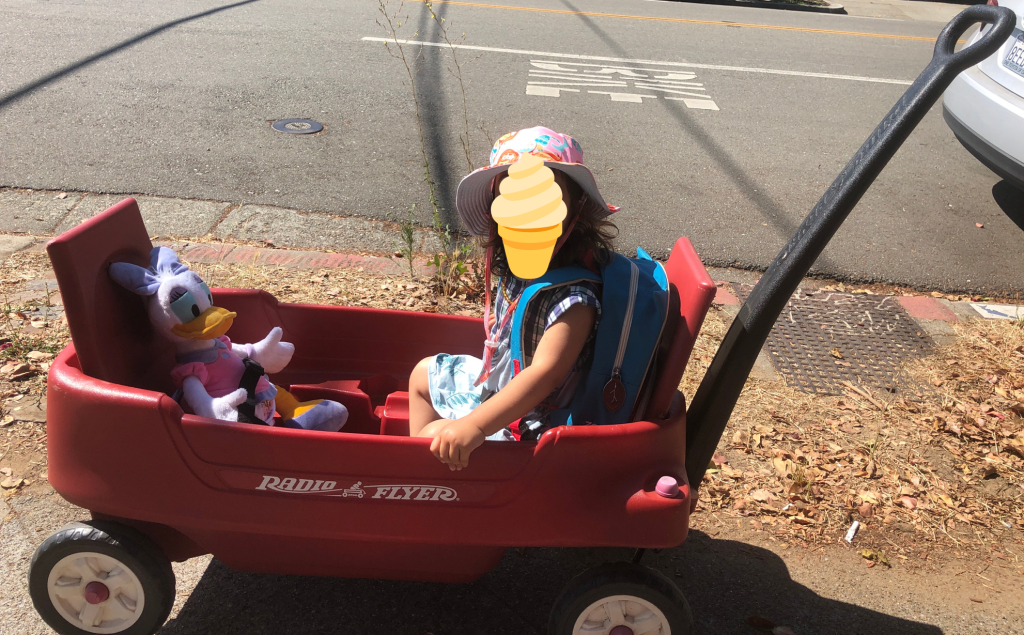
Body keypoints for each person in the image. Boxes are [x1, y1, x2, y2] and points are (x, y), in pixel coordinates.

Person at [407, 127, 619, 470]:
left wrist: (473, 426)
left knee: (433, 438)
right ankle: (441, 478)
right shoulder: (521, 268)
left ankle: (442, 483)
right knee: (421, 376)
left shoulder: (575, 298)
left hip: (529, 422)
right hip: (499, 385)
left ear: (574, 208)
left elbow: (545, 375)